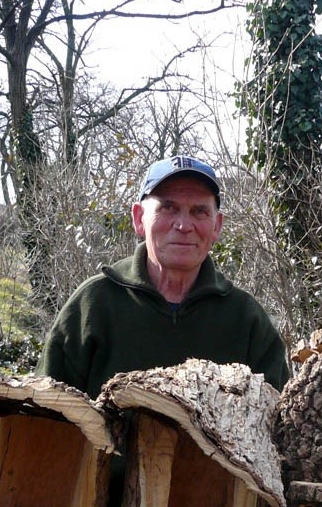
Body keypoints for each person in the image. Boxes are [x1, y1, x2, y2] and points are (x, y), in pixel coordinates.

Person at [37, 154, 290, 398]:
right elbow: (41, 415)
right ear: (139, 219)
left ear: (217, 226)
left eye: (199, 211)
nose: (183, 225)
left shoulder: (246, 320)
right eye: (168, 208)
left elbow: (282, 429)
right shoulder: (93, 305)